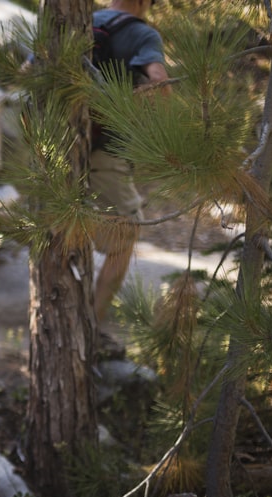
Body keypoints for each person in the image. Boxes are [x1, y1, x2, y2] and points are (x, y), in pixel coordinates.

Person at [89, 0, 169, 329]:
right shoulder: (142, 34)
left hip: (52, 147)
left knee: (61, 222)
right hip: (105, 150)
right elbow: (159, 80)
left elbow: (25, 73)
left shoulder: (80, 19)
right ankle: (93, 322)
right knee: (127, 230)